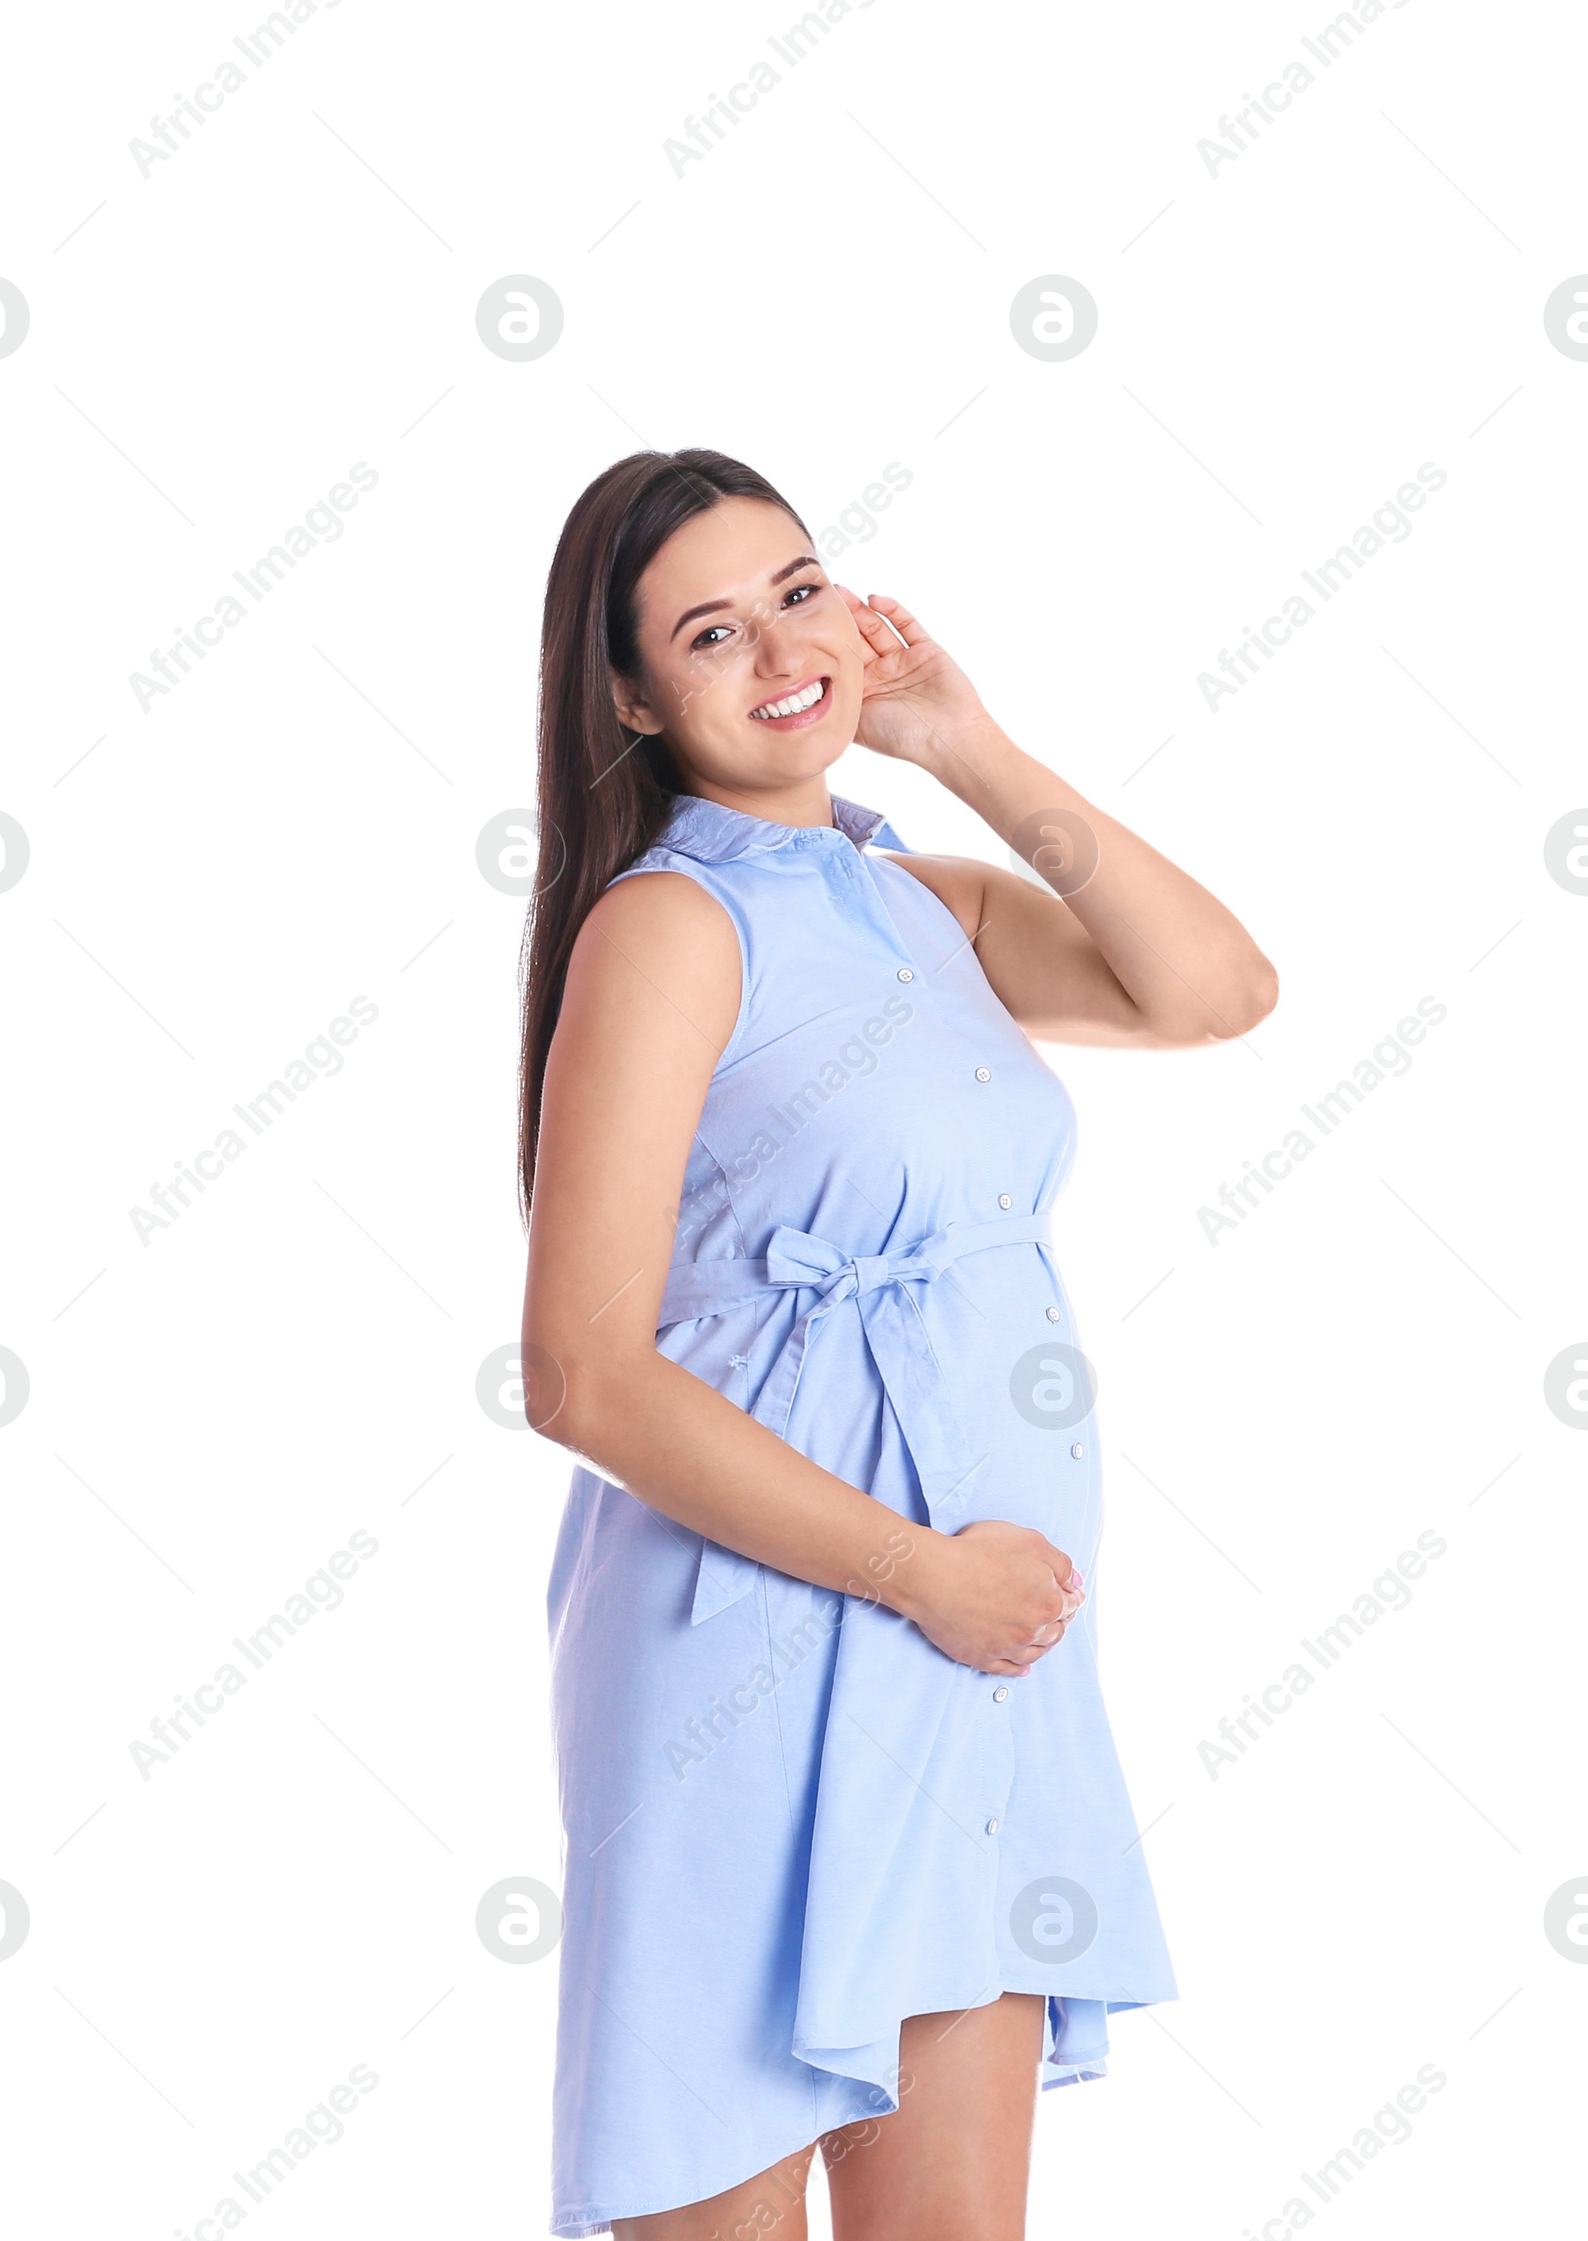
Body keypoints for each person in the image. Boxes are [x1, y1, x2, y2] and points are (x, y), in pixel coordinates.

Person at [519, 449, 1278, 2240]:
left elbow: (1218, 990)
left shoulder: (920, 901)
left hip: (972, 1656)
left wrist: (966, 745)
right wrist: (920, 1571)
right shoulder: (667, 927)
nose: (782, 646)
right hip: (762, 1645)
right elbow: (582, 1372)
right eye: (711, 629)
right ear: (632, 694)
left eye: (801, 588)